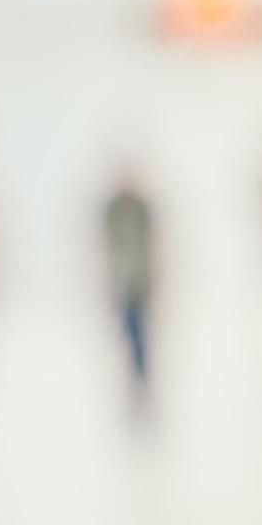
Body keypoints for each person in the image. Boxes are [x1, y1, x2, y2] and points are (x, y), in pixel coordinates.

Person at [103, 170, 157, 404]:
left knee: (138, 333)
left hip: (140, 280)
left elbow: (150, 243)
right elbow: (108, 243)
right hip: (121, 281)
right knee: (127, 332)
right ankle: (134, 382)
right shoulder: (113, 210)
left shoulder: (141, 209)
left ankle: (140, 382)